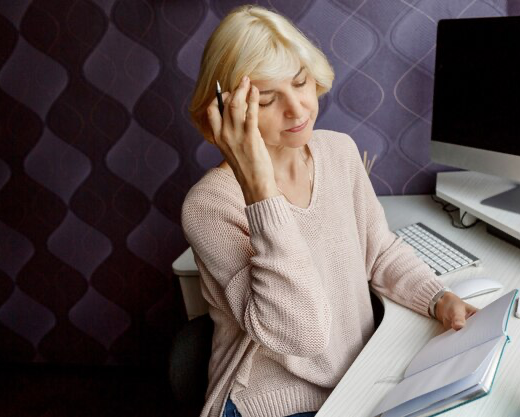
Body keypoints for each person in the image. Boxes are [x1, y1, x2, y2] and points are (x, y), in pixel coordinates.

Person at [182, 5, 477, 417]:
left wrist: (438, 299)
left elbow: (379, 250)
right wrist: (260, 189)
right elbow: (301, 333)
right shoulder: (210, 206)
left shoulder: (337, 151)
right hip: (273, 402)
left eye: (300, 82)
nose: (297, 109)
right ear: (231, 110)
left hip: (355, 378)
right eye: (267, 99)